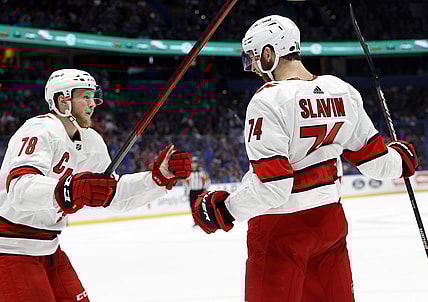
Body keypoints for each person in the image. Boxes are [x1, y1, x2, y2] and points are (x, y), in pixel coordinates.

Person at [192, 15, 418, 302]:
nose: (254, 69)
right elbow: (377, 163)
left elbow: (274, 187)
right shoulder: (342, 91)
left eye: (254, 58)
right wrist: (401, 159)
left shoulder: (268, 100)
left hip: (280, 230)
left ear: (269, 53)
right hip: (330, 224)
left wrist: (223, 210)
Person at [0, 69, 191, 302]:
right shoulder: (39, 130)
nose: (93, 104)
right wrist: (71, 189)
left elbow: (113, 195)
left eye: (93, 96)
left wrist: (157, 178)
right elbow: (20, 189)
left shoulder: (92, 140)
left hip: (49, 248)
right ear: (62, 101)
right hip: (9, 249)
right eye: (85, 97)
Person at [183, 156, 210, 226]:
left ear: (197, 163)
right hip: (192, 192)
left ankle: (203, 221)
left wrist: (205, 188)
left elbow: (207, 180)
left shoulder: (201, 171)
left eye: (195, 162)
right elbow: (185, 182)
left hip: (200, 191)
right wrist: (186, 190)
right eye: (193, 163)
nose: (194, 164)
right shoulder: (189, 172)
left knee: (201, 207)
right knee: (193, 207)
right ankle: (196, 221)